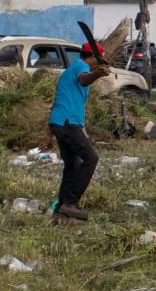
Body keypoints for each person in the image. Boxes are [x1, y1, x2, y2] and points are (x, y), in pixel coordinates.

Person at [47, 42, 112, 221]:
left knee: (72, 164)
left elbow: (56, 101)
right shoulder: (81, 67)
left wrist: (48, 133)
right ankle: (70, 202)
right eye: (97, 61)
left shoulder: (70, 69)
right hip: (68, 122)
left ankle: (60, 210)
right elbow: (84, 78)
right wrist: (97, 74)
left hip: (58, 122)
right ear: (92, 57)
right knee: (91, 158)